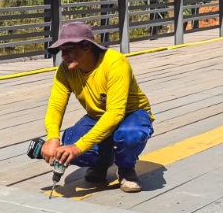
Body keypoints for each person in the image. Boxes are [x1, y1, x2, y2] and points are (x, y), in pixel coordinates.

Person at [40, 21, 154, 193]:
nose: (63, 55)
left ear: (86, 46)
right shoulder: (65, 70)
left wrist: (79, 147)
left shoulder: (115, 63)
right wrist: (52, 137)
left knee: (129, 135)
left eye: (68, 48)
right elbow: (56, 105)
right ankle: (102, 162)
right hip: (98, 116)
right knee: (68, 142)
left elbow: (115, 114)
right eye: (61, 50)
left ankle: (126, 168)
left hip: (131, 114)